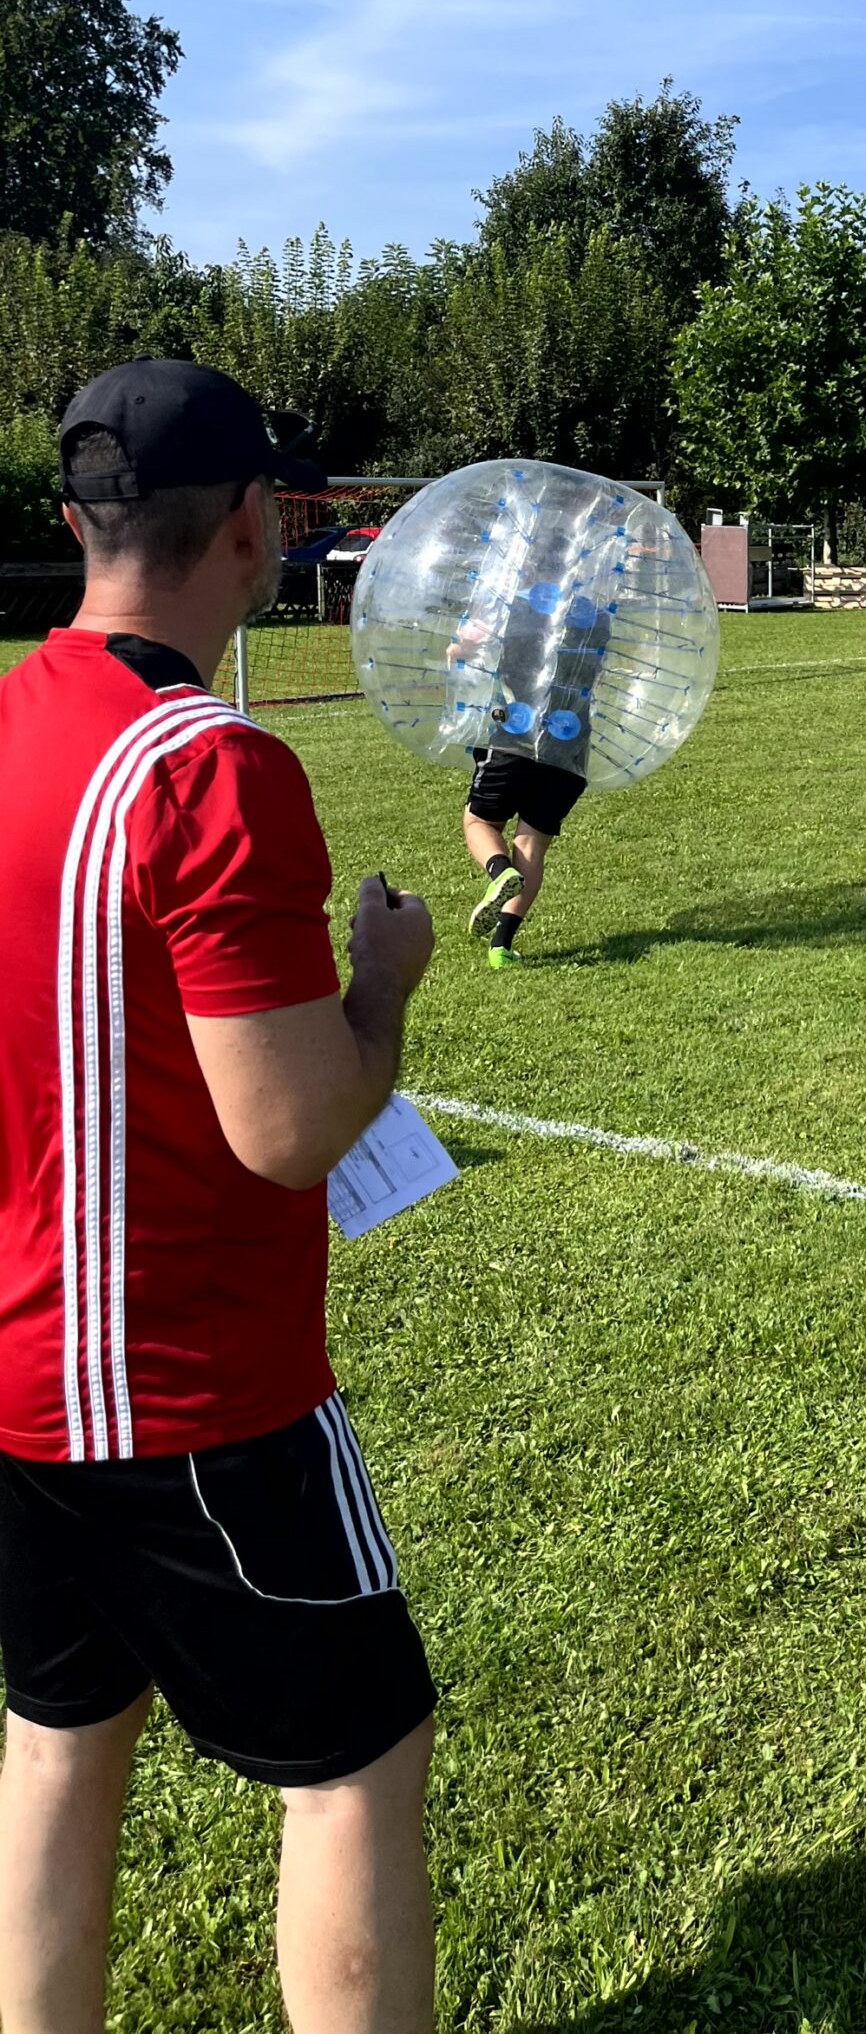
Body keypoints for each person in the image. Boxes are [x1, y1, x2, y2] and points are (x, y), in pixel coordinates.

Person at [0, 361, 440, 2032]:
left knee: (59, 1738)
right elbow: (291, 1126)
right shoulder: (207, 772)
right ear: (256, 528)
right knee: (353, 1771)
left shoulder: (9, 722)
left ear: (77, 525)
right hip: (189, 1391)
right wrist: (381, 988)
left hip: (23, 1368)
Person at [460, 580, 612, 968]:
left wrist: (458, 648)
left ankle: (499, 871)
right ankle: (501, 947)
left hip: (516, 736)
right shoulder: (593, 618)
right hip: (570, 743)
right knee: (531, 844)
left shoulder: (515, 608)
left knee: (479, 821)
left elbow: (465, 646)